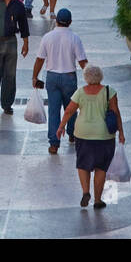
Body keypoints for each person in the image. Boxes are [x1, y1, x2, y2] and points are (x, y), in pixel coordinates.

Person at [55, 65, 124, 208]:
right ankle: (98, 200)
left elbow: (69, 111)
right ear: (100, 76)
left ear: (86, 77)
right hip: (104, 135)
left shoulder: (80, 92)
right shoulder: (109, 92)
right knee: (101, 168)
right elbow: (116, 113)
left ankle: (85, 192)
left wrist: (61, 126)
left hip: (83, 133)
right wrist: (121, 133)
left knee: (83, 164)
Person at [32, 8, 88, 154]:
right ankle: (72, 133)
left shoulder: (47, 37)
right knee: (71, 108)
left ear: (56, 20)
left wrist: (34, 76)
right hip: (69, 77)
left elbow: (40, 59)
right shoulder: (75, 38)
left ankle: (54, 143)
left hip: (52, 77)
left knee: (53, 110)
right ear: (70, 22)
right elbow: (82, 61)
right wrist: (91, 78)